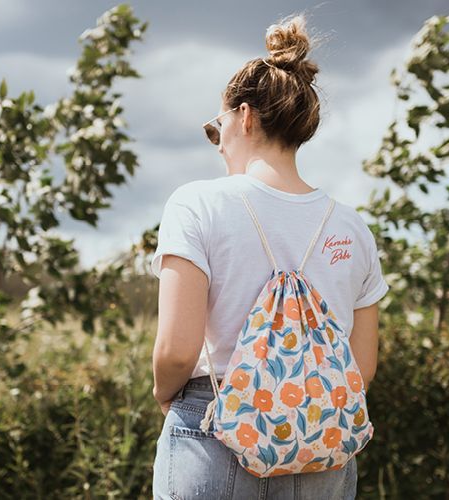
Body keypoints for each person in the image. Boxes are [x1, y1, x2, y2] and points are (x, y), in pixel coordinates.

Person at [149, 13, 390, 499]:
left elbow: (177, 350)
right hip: (322, 438)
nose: (218, 147)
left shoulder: (197, 203)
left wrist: (165, 396)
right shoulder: (351, 226)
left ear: (244, 116)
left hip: (213, 426)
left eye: (216, 129)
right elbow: (361, 368)